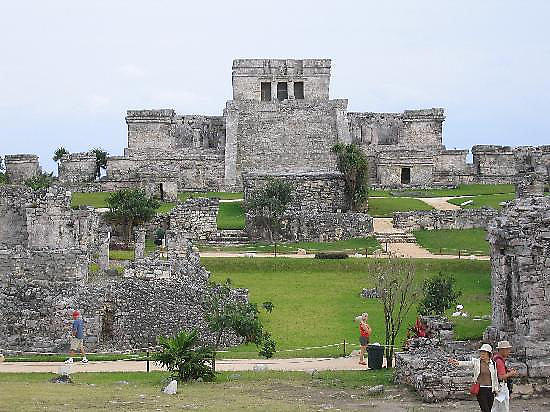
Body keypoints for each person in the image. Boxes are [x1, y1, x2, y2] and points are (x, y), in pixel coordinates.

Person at [448, 343, 499, 412]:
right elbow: (467, 363)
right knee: (485, 409)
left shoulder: (493, 363)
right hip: (481, 389)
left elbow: (495, 377)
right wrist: (457, 362)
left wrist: (496, 389)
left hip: (490, 390)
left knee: (489, 409)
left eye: (484, 352)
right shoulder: (476, 362)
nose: (482, 354)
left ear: (489, 354)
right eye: (481, 352)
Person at [491, 340, 518, 412]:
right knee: (503, 408)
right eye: (507, 349)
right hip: (501, 387)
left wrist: (507, 371)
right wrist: (511, 373)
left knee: (496, 408)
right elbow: (501, 377)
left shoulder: (495, 358)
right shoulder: (499, 361)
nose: (509, 351)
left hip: (497, 386)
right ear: (502, 350)